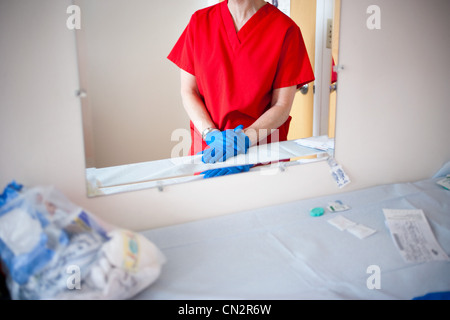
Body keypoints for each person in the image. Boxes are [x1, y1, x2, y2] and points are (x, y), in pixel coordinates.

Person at [168, 0, 314, 177]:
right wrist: (211, 135)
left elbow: (282, 105)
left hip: (260, 152)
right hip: (209, 151)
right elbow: (189, 91)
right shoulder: (199, 22)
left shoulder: (285, 29)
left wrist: (244, 139)